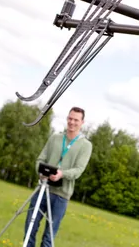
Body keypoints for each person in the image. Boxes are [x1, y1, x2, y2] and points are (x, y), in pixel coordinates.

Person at [23, 106, 93, 247]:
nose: (72, 122)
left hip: (61, 195)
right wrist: (41, 172)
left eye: (76, 120)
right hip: (43, 189)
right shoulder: (55, 138)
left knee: (49, 236)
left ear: (82, 122)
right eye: (70, 118)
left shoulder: (86, 145)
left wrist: (62, 174)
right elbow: (40, 160)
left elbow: (78, 170)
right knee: (30, 228)